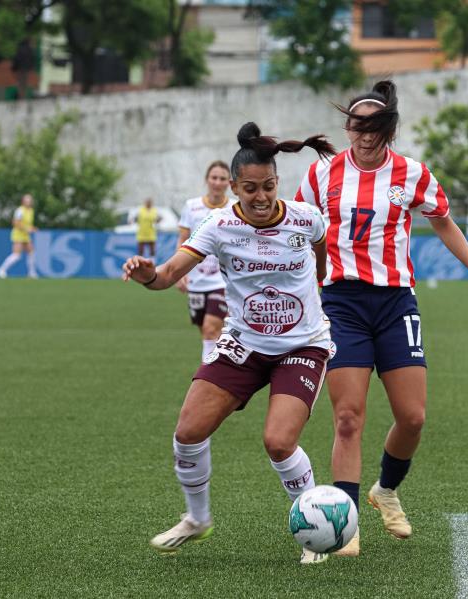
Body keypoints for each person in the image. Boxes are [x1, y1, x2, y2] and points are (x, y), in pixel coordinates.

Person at [294, 80, 468, 556]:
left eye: (376, 127)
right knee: (348, 417)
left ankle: (385, 489)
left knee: (413, 417)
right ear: (347, 128)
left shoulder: (411, 173)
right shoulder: (322, 174)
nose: (365, 136)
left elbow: (442, 219)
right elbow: (301, 229)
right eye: (358, 126)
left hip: (394, 303)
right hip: (340, 303)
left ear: (388, 129)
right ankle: (344, 522)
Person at [122, 122, 337, 565]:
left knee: (278, 442)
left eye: (269, 186)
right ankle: (197, 519)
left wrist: (320, 291)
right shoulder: (217, 225)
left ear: (279, 182)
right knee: (187, 433)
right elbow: (165, 276)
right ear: (234, 188)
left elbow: (321, 258)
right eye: (250, 188)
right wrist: (146, 273)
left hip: (303, 346)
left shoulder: (306, 218)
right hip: (244, 344)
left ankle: (314, 527)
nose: (261, 197)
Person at [176, 161, 233, 361]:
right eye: (214, 178)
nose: (217, 182)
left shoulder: (234, 207)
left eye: (222, 179)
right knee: (207, 333)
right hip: (197, 282)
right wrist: (179, 272)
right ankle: (225, 373)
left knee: (210, 329)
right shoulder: (192, 207)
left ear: (229, 183)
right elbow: (182, 240)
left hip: (224, 282)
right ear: (207, 180)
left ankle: (208, 380)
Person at [0, 193, 38, 279]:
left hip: (25, 235)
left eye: (30, 200)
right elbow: (15, 223)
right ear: (23, 202)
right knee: (17, 255)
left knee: (31, 252)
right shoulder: (20, 210)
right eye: (27, 200)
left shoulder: (31, 211)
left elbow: (27, 224)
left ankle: (31, 273)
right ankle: (1, 270)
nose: (29, 202)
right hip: (18, 234)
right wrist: (26, 229)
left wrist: (32, 228)